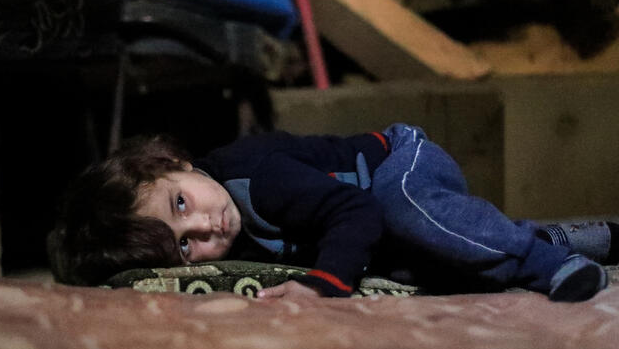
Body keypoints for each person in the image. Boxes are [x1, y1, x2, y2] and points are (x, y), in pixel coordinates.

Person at [48, 123, 616, 301]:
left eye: (181, 204)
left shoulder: (255, 178)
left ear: (176, 162)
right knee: (433, 267)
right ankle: (585, 238)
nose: (206, 226)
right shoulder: (219, 226)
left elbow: (354, 210)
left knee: (405, 214)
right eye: (185, 245)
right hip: (376, 218)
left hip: (397, 163)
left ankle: (543, 266)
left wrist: (325, 284)